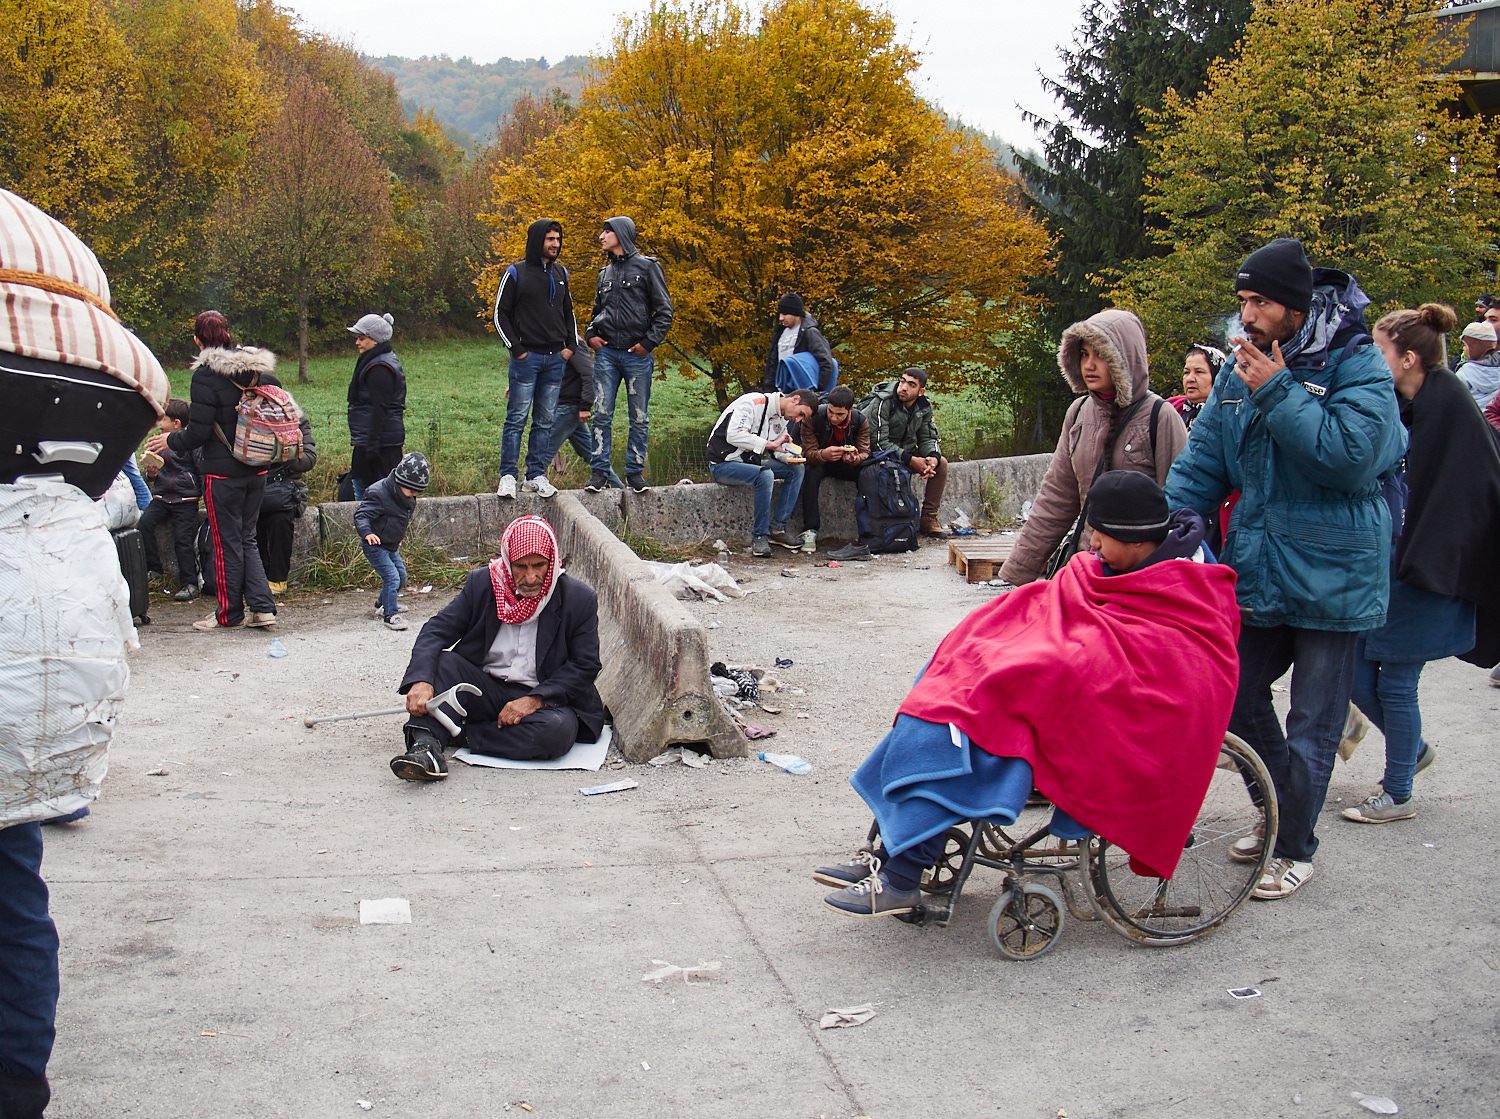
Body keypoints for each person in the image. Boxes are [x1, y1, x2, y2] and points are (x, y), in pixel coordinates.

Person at [817, 472, 1239, 916]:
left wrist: (1038, 662)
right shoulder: (1115, 565)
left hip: (1119, 711)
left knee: (976, 726)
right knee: (943, 697)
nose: (1091, 544)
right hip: (1067, 674)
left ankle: (903, 871)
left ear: (1136, 542)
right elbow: (1064, 600)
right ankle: (892, 851)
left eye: (1101, 535)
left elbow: (1168, 669)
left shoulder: (1189, 590)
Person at [1163, 238, 1407, 900]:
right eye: (1243, 300)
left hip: (1337, 575)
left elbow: (1350, 458)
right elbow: (1202, 464)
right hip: (1264, 568)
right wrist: (1158, 533)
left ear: (1296, 307)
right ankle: (1280, 809)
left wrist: (1278, 391)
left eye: (1261, 301)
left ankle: (1295, 845)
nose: (1248, 314)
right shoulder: (1242, 371)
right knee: (1232, 694)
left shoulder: (1357, 363)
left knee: (1313, 724)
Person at [1343, 305, 1500, 822]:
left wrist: (1417, 561)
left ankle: (1398, 792)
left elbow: (1464, 496)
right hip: (1401, 568)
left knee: (1394, 682)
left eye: (1379, 349)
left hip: (1430, 570)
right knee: (1357, 674)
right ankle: (1411, 752)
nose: (1370, 358)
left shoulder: (1446, 404)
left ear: (1408, 358)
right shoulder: (1414, 401)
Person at [392, 515, 606, 780]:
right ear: (507, 562)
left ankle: (460, 734)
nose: (530, 577)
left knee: (557, 731)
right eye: (520, 567)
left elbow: (585, 664)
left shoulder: (578, 598)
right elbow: (436, 631)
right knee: (444, 663)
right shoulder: (483, 585)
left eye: (539, 566)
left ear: (552, 561)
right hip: (484, 689)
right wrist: (421, 681)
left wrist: (534, 700)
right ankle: (425, 747)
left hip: (544, 698)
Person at [999, 310, 1189, 585]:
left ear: (1125, 358)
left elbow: (1178, 505)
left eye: (1100, 354)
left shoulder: (1160, 417)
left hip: (1141, 577)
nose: (1089, 364)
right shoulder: (1078, 414)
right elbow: (1055, 501)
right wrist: (1015, 576)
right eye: (1085, 354)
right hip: (1087, 570)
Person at [146, 310, 280, 632]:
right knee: (246, 537)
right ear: (228, 336)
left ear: (197, 340)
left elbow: (199, 433)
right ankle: (262, 608)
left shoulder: (205, 376)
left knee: (225, 542)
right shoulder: (258, 370)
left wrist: (169, 441)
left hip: (223, 473)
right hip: (258, 467)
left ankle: (228, 614)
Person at [584, 216, 673, 494]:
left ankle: (635, 474)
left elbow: (665, 312)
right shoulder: (604, 274)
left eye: (606, 231)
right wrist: (590, 335)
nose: (601, 236)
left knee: (639, 417)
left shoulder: (648, 268)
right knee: (601, 414)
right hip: (607, 354)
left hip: (637, 354)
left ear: (621, 234)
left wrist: (648, 343)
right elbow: (596, 312)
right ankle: (598, 474)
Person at [492, 219, 576, 500]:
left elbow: (569, 313)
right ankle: (507, 476)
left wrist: (570, 347)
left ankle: (535, 475)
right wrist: (516, 349)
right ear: (538, 239)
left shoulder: (561, 272)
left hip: (555, 360)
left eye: (558, 239)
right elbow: (500, 314)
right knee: (516, 418)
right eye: (550, 239)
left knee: (545, 420)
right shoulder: (516, 273)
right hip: (526, 359)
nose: (555, 244)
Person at [707, 388, 817, 557]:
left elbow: (776, 448)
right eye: (800, 414)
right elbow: (734, 435)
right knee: (765, 475)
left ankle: (778, 529)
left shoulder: (782, 418)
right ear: (795, 399)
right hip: (723, 465)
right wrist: (770, 444)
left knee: (796, 469)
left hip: (748, 464)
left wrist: (789, 455)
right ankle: (760, 536)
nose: (798, 420)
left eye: (802, 418)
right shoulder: (752, 403)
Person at [860, 368, 955, 540]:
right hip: (880, 456)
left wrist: (932, 457)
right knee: (888, 467)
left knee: (941, 464)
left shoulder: (924, 406)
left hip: (906, 452)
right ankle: (893, 525)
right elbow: (878, 443)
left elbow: (928, 436)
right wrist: (911, 460)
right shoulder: (884, 401)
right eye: (902, 381)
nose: (903, 387)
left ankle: (929, 517)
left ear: (921, 391)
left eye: (911, 385)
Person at [355, 453, 430, 632]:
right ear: (401, 482)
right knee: (392, 577)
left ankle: (383, 603)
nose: (414, 495)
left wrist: (398, 537)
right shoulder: (378, 493)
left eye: (417, 492)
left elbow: (399, 520)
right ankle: (390, 615)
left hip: (391, 544)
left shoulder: (406, 497)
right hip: (375, 545)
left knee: (401, 576)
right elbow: (361, 515)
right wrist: (367, 533)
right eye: (412, 491)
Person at [138, 398, 203, 601]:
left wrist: (199, 491)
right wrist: (151, 474)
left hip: (186, 498)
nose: (159, 424)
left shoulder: (191, 443)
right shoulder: (158, 442)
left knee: (182, 538)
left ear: (176, 423)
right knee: (144, 524)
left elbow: (200, 469)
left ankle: (189, 583)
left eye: (163, 419)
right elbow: (150, 475)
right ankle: (154, 569)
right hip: (162, 495)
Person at [797, 385, 870, 554]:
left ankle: (868, 528)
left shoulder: (860, 421)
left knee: (866, 474)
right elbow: (807, 452)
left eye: (840, 414)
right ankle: (810, 530)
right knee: (810, 473)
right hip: (820, 461)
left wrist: (854, 459)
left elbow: (865, 452)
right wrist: (824, 454)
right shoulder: (814, 417)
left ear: (850, 410)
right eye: (831, 412)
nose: (834, 417)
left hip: (846, 464)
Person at [541, 341, 622, 489]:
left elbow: (588, 373)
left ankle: (523, 492)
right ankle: (620, 490)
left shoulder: (573, 344)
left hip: (568, 407)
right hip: (562, 406)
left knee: (542, 451)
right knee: (592, 455)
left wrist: (585, 405)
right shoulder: (554, 342)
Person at [345, 312, 405, 501]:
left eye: (361, 338)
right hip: (370, 441)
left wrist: (372, 447)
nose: (357, 343)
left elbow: (381, 409)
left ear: (375, 340)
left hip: (380, 445)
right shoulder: (376, 360)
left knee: (373, 500)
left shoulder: (380, 367)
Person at [257, 407, 316, 595]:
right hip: (253, 489)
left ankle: (277, 579)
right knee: (252, 523)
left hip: (286, 490)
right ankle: (257, 577)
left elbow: (309, 459)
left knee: (279, 520)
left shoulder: (296, 420)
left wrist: (283, 454)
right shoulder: (247, 420)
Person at [758, 292, 837, 393]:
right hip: (781, 392)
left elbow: (826, 363)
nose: (781, 318)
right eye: (780, 314)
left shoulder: (810, 332)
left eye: (785, 314)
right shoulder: (780, 332)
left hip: (802, 393)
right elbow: (772, 364)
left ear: (795, 313)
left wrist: (816, 392)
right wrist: (770, 391)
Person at [1168, 344, 1226, 430]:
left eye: (1199, 372)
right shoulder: (1170, 408)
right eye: (1187, 372)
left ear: (1217, 376)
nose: (1190, 379)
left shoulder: (1228, 416)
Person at [1453, 320, 1500, 409]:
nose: (1463, 349)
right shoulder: (1498, 366)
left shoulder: (1466, 371)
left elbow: (1456, 398)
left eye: (1466, 346)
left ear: (1475, 348)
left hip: (1475, 418)